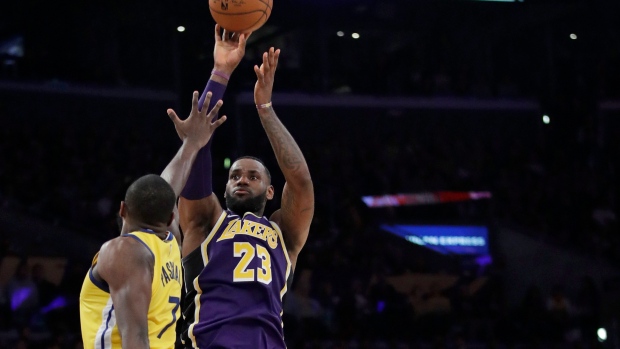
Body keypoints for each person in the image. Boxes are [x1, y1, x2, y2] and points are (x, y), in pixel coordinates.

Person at [178, 29, 314, 348]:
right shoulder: (206, 222)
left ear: (270, 191)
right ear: (224, 186)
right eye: (236, 175)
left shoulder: (285, 232)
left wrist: (265, 108)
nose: (242, 179)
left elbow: (301, 181)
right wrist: (220, 72)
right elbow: (196, 159)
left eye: (253, 176)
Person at [79, 91, 227, 349]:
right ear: (171, 216)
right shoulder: (171, 239)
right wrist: (192, 144)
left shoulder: (123, 251)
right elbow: (168, 185)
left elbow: (135, 339)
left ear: (122, 209)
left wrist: (192, 142)